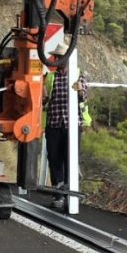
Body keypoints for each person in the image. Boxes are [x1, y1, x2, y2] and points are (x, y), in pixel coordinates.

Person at [44, 38, 88, 206]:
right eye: (56, 57)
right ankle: (58, 194)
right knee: (54, 159)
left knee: (70, 159)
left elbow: (84, 96)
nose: (56, 60)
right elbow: (44, 100)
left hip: (72, 125)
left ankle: (70, 194)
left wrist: (79, 91)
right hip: (54, 124)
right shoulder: (51, 78)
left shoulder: (77, 76)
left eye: (59, 57)